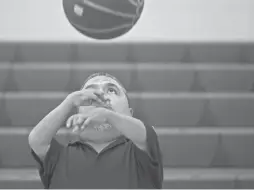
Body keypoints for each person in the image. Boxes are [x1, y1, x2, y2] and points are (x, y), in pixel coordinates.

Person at [29, 72, 163, 189]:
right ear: (78, 112)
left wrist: (109, 116)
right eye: (90, 93)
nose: (100, 96)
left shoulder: (140, 152)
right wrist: (69, 102)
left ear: (130, 113)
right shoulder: (59, 156)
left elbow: (145, 134)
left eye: (111, 90)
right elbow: (37, 141)